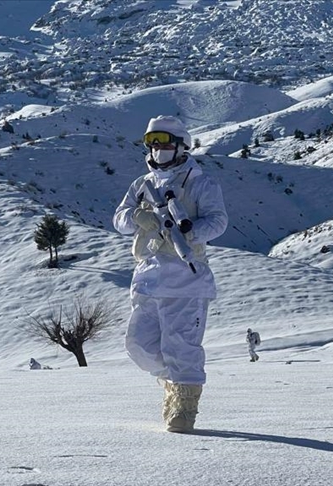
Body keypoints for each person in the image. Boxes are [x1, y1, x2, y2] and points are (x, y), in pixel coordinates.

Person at [114, 115, 228, 433]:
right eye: (153, 143)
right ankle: (171, 381)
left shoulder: (201, 183)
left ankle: (184, 404)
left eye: (165, 143)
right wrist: (138, 216)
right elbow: (120, 219)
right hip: (148, 277)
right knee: (138, 346)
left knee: (182, 347)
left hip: (186, 277)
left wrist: (188, 233)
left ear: (181, 146)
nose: (158, 149)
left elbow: (218, 221)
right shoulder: (142, 185)